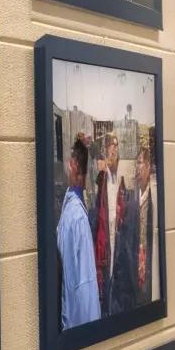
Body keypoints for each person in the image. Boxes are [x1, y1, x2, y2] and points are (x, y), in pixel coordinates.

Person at [57, 137, 101, 330]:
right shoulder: (76, 213)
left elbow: (77, 282)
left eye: (69, 161)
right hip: (81, 319)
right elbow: (82, 283)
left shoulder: (74, 215)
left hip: (75, 321)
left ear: (74, 165)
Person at [112, 140, 156, 313]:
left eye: (140, 163)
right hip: (133, 262)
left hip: (148, 260)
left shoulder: (153, 198)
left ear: (148, 166)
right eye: (136, 163)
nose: (138, 167)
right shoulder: (132, 199)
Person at [92, 132, 126, 314]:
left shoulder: (118, 181)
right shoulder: (102, 179)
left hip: (116, 239)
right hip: (104, 242)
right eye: (111, 150)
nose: (114, 154)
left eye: (116, 150)